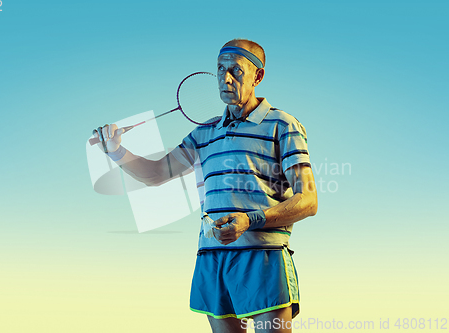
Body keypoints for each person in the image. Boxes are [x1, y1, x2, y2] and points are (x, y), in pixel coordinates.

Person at [94, 39, 318, 333]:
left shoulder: (282, 124)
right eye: (220, 70)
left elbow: (308, 200)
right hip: (212, 255)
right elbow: (156, 173)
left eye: (236, 71)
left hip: (264, 257)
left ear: (258, 77)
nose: (225, 78)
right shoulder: (203, 133)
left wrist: (249, 220)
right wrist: (115, 150)